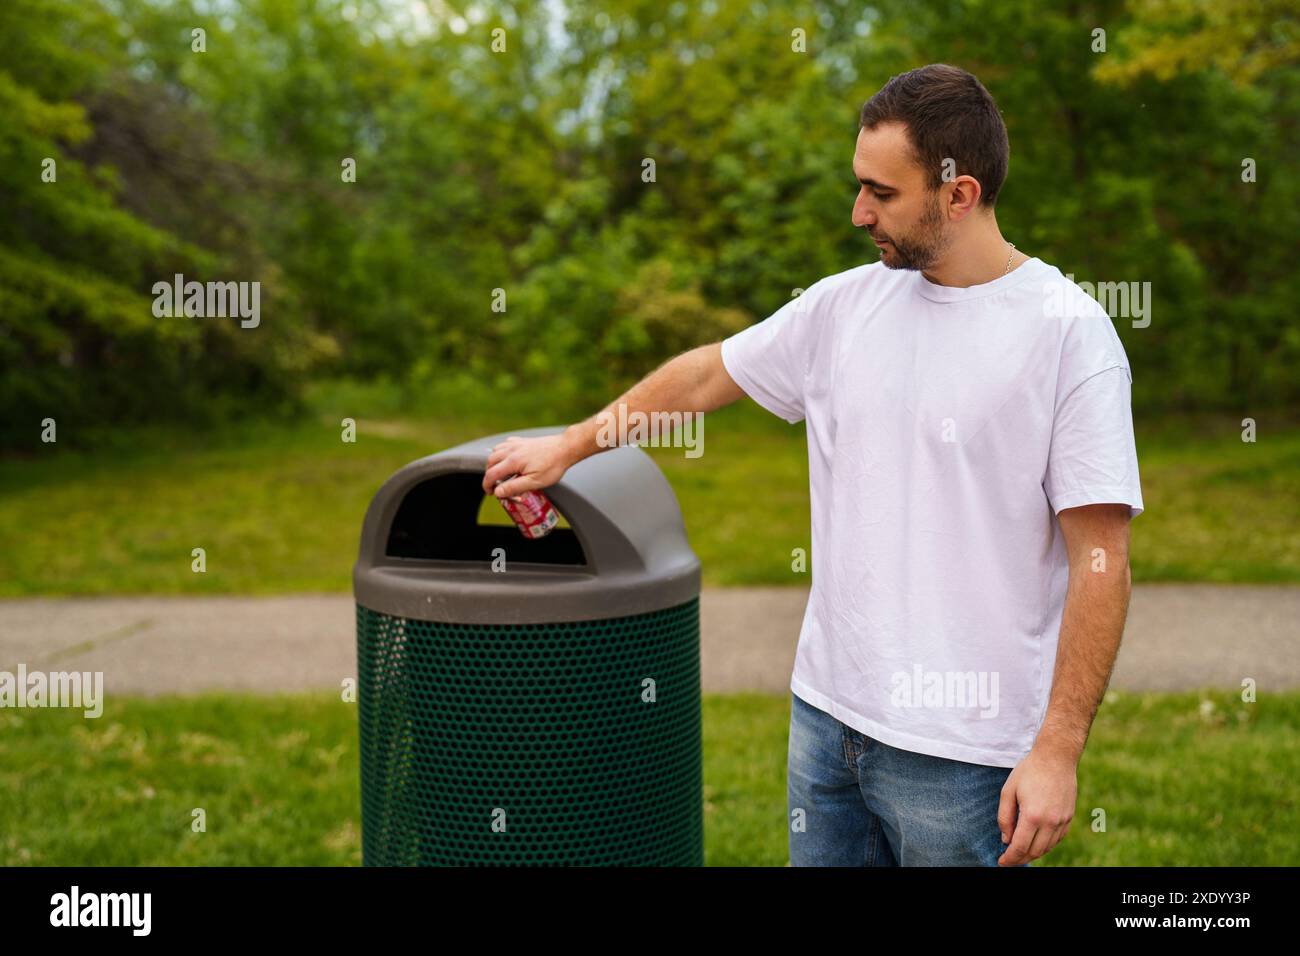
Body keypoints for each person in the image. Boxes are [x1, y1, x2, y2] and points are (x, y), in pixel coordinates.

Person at [482, 63, 1143, 867]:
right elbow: (706, 374)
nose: (859, 211)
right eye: (858, 186)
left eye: (882, 193)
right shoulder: (844, 306)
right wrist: (572, 444)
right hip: (827, 723)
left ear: (959, 194)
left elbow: (1101, 560)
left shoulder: (1068, 335)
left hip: (963, 753)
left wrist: (1058, 750)